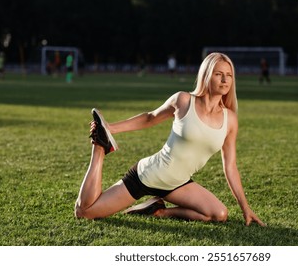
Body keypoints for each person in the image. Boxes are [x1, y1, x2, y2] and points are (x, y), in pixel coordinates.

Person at [75, 52, 266, 227]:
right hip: (148, 175)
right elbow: (150, 118)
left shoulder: (230, 119)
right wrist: (110, 130)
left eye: (229, 75)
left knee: (219, 214)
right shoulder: (183, 100)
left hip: (178, 183)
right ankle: (100, 148)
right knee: (85, 212)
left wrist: (245, 208)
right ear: (206, 75)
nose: (225, 80)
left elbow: (230, 166)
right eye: (218, 74)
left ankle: (158, 210)